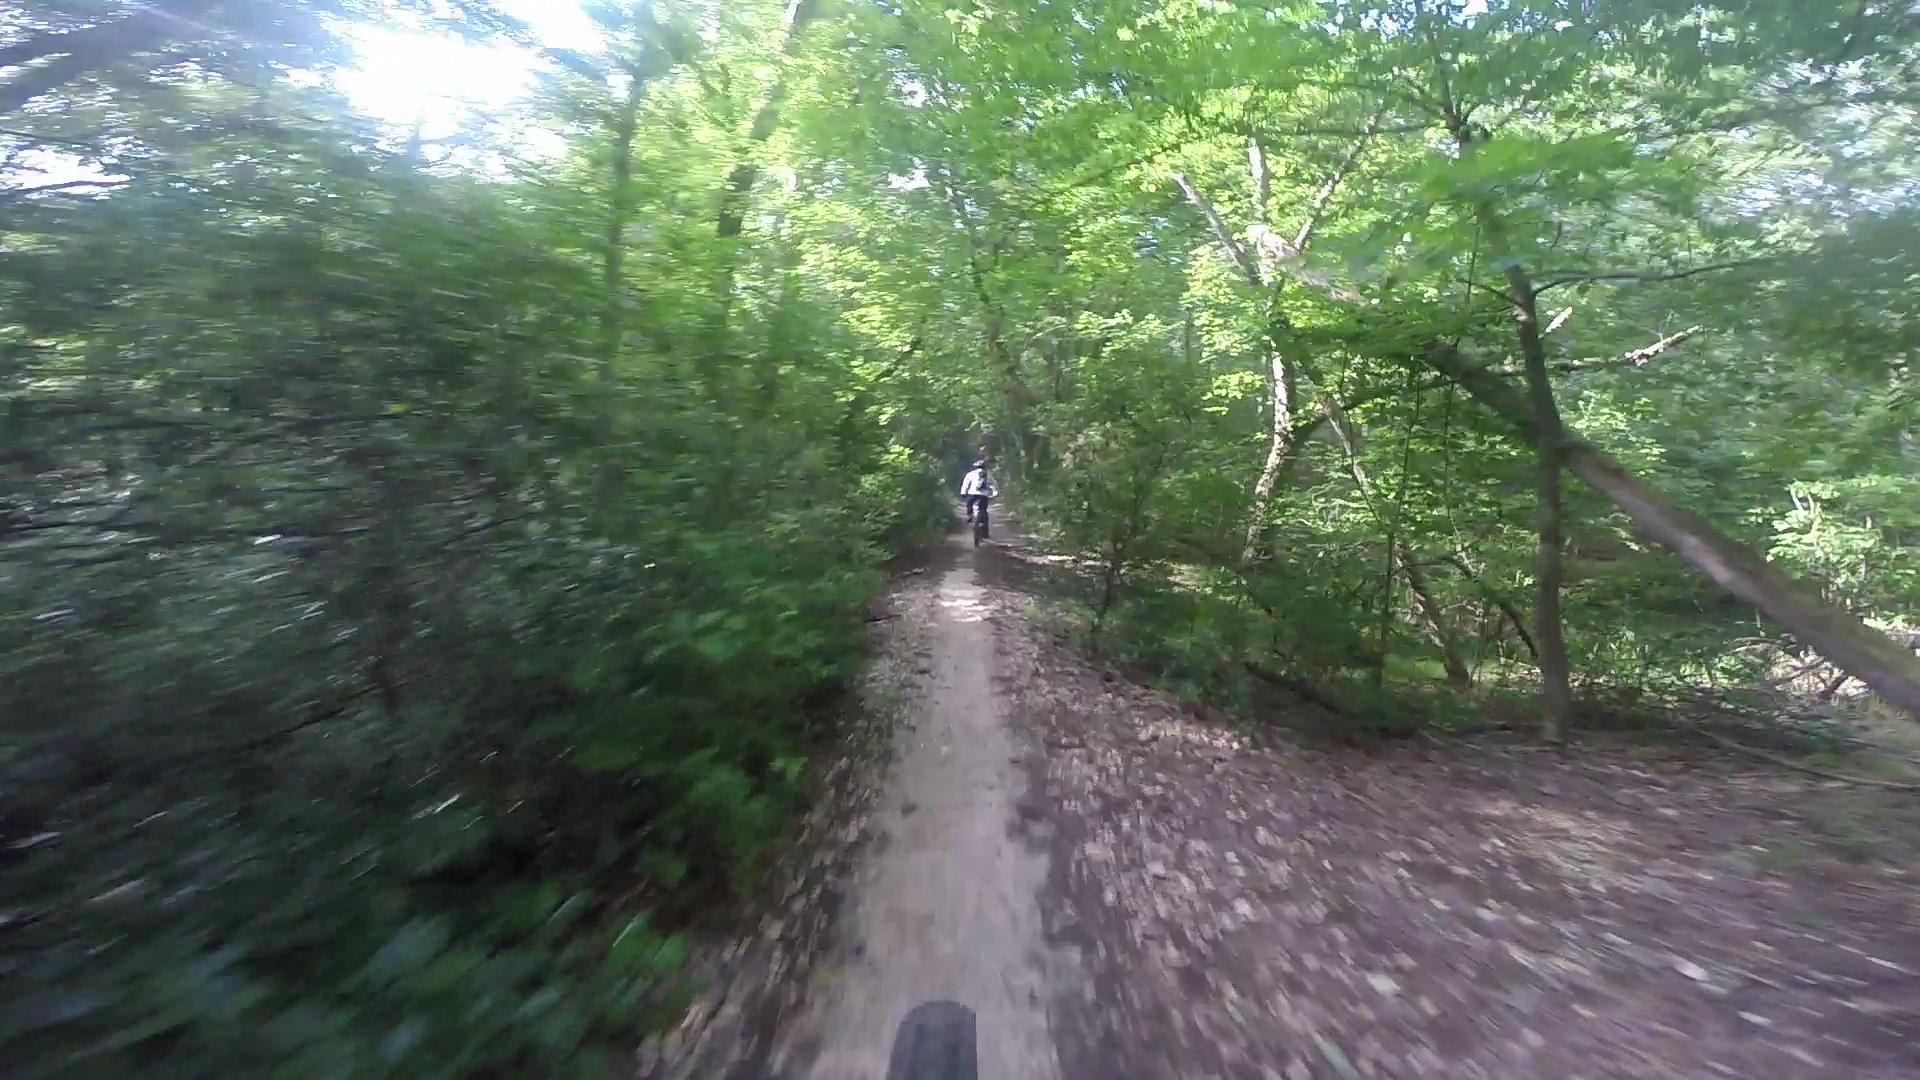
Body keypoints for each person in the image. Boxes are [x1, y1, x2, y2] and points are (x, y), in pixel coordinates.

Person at [959, 459, 995, 529]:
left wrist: (963, 493)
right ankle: (985, 531)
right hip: (984, 496)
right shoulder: (988, 474)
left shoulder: (970, 474)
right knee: (984, 510)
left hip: (972, 494)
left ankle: (969, 516)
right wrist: (994, 493)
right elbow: (993, 484)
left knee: (969, 505)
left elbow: (965, 485)